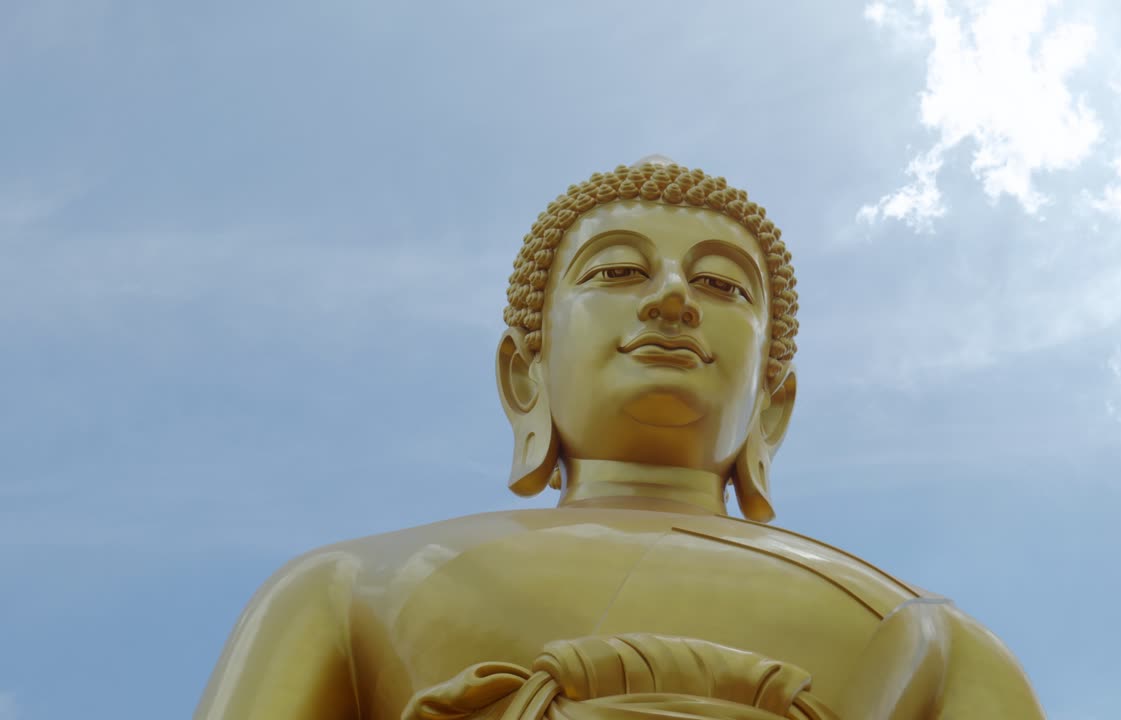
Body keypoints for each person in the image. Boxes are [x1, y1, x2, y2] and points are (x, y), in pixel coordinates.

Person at [195, 158, 1045, 720]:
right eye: (617, 271)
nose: (673, 300)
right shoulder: (347, 589)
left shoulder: (928, 637)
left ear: (772, 407)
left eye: (720, 284)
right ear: (524, 374)